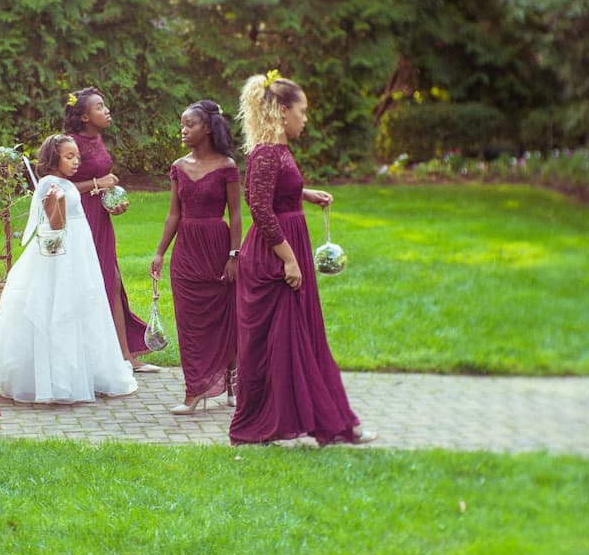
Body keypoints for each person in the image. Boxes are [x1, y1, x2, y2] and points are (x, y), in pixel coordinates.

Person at [228, 72, 376, 446]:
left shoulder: (276, 151)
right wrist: (289, 261)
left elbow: (274, 193)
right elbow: (259, 208)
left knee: (303, 340)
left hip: (284, 248)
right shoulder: (266, 152)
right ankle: (324, 424)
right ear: (282, 110)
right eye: (302, 111)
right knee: (288, 343)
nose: (305, 119)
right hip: (273, 259)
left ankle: (334, 421)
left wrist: (304, 194)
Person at [0, 135, 138, 403]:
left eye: (77, 156)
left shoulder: (64, 183)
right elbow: (54, 227)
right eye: (69, 156)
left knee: (82, 307)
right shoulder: (48, 185)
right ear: (53, 158)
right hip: (59, 257)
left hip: (79, 253)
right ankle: (55, 380)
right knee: (57, 307)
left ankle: (87, 371)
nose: (76, 161)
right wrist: (59, 202)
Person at [150, 101, 242, 414]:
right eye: (182, 125)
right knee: (189, 324)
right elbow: (173, 213)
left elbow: (237, 214)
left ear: (207, 128)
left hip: (217, 248)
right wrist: (160, 252)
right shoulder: (178, 167)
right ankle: (194, 392)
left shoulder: (228, 166)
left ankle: (233, 383)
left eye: (190, 125)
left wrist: (234, 256)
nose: (183, 130)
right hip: (186, 251)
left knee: (225, 318)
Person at [64, 87, 160, 374]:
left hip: (100, 218)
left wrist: (112, 199)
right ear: (83, 116)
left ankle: (125, 355)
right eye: (99, 107)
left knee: (113, 281)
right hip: (77, 219)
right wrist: (97, 184)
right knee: (91, 282)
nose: (106, 111)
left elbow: (101, 182)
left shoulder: (98, 138)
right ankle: (90, 357)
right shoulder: (70, 143)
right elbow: (55, 185)